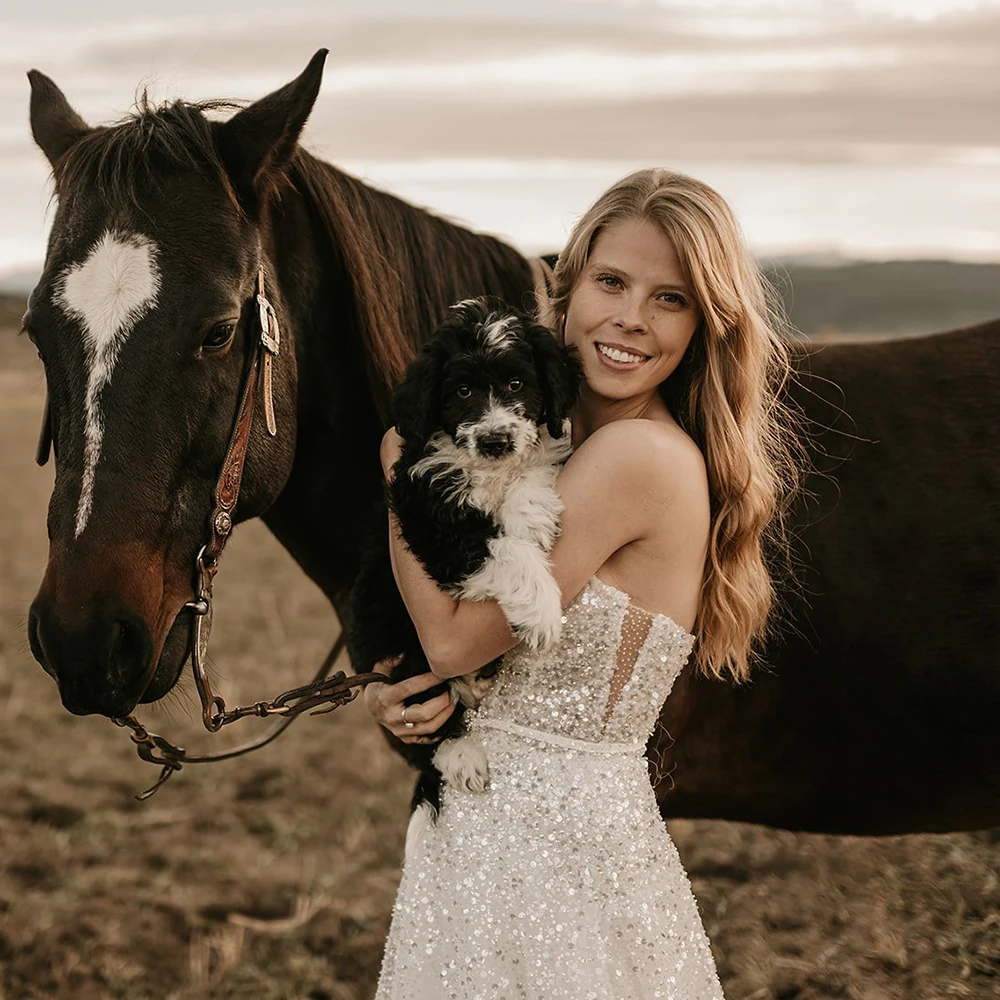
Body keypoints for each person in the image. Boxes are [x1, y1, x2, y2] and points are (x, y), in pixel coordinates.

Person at [364, 168, 800, 999]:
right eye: (612, 282)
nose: (632, 317)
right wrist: (419, 698)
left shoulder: (633, 458)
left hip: (553, 861)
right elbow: (479, 662)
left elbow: (454, 636)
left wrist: (400, 474)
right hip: (498, 832)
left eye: (670, 299)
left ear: (705, 327)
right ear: (564, 292)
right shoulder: (553, 448)